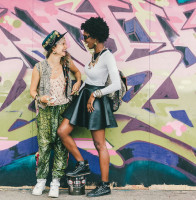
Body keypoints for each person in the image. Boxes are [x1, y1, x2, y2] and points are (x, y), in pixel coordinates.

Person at [57, 17, 121, 197]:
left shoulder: (108, 56)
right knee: (63, 131)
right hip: (85, 96)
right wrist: (80, 86)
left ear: (96, 37)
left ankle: (105, 185)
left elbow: (115, 84)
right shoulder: (95, 55)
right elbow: (92, 78)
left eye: (86, 37)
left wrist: (95, 94)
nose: (84, 40)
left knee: (100, 144)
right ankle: (81, 163)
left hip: (97, 101)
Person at [30, 30, 81, 198]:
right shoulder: (39, 67)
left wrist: (78, 82)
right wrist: (40, 98)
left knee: (60, 147)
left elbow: (78, 73)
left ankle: (55, 182)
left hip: (63, 110)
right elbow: (32, 91)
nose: (66, 47)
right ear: (53, 49)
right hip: (45, 111)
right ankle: (41, 181)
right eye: (63, 44)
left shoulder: (66, 63)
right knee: (44, 146)